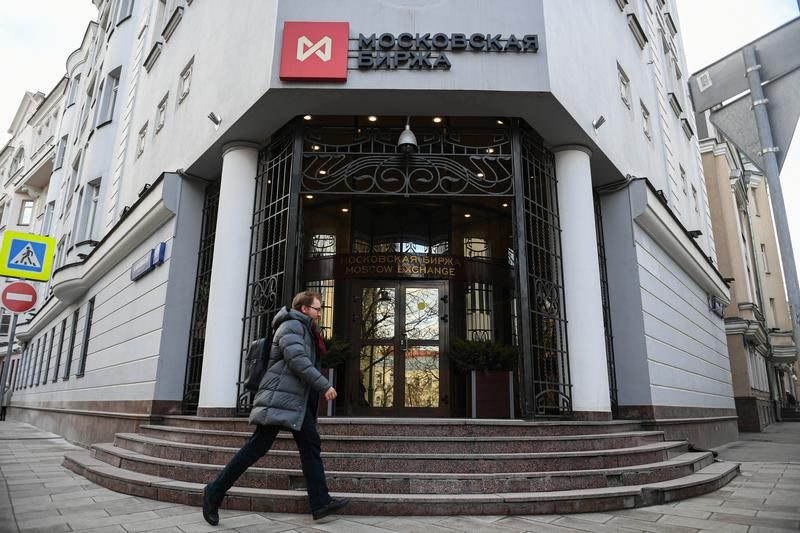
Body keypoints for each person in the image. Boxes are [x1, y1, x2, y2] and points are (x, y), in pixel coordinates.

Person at [202, 291, 348, 525]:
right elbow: (297, 360)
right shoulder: (291, 326)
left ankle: (321, 503)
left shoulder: (305, 329)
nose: (320, 313)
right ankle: (214, 491)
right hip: (280, 398)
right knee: (257, 447)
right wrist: (324, 385)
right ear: (304, 309)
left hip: (294, 400)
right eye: (317, 309)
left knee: (310, 446)